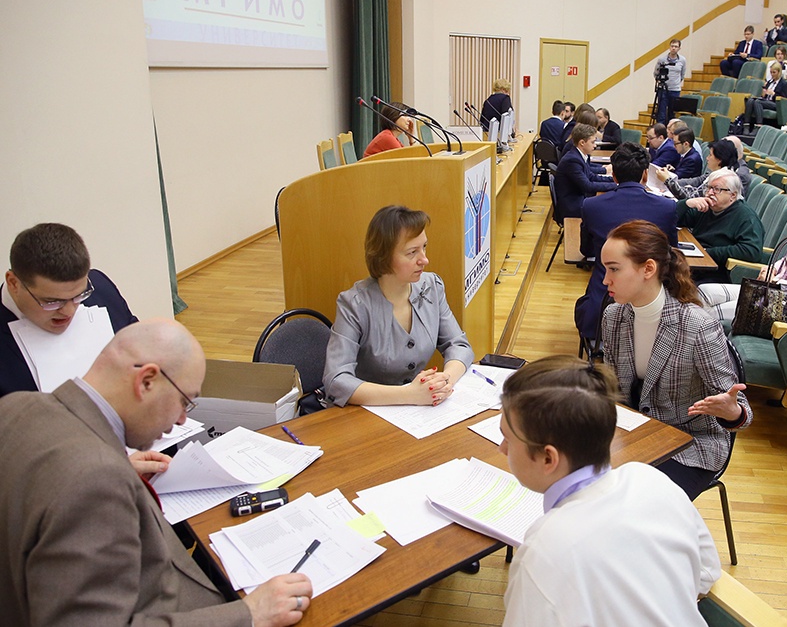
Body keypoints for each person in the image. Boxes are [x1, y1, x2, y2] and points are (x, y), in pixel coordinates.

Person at [0, 319, 314, 626]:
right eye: (184, 402)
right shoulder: (95, 480)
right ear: (147, 380)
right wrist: (250, 615)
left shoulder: (17, 406)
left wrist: (116, 464)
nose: (180, 420)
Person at [498, 355, 721, 626]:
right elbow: (707, 572)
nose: (502, 448)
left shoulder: (542, 551)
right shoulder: (651, 479)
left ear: (549, 458)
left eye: (508, 438)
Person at [600, 220, 753, 498]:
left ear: (648, 268)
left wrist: (732, 412)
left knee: (633, 504)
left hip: (691, 446)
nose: (605, 280)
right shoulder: (614, 317)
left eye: (613, 269)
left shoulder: (697, 326)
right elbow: (615, 392)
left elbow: (741, 411)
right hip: (634, 435)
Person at [323, 206, 474, 406]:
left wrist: (444, 381)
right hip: (365, 414)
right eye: (412, 253)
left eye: (424, 247)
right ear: (383, 257)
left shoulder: (432, 287)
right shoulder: (354, 304)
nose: (425, 260)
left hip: (415, 412)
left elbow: (458, 344)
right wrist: (411, 395)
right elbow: (336, 380)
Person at [2, 223, 138, 398]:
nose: (68, 311)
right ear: (14, 283)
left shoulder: (100, 287)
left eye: (79, 295)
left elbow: (137, 346)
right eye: (52, 301)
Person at [698, 178, 787, 323]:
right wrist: (770, 270)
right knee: (703, 292)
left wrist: (775, 281)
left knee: (709, 313)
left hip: (786, 305)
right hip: (771, 292)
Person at [575, 142, 678, 340]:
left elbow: (585, 249)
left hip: (602, 305)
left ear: (614, 176)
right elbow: (671, 253)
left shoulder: (591, 205)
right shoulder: (667, 208)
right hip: (651, 307)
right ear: (645, 175)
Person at [674, 169, 764, 282]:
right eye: (709, 188)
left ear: (732, 195)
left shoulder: (746, 217)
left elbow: (752, 251)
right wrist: (687, 203)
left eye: (717, 189)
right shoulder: (708, 207)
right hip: (695, 264)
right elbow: (674, 219)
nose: (710, 193)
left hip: (717, 272)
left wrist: (708, 252)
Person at [551, 124, 617, 221]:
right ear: (582, 142)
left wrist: (616, 180)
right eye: (593, 142)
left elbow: (591, 176)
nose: (595, 145)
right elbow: (588, 186)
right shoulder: (573, 160)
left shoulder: (580, 156)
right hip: (571, 206)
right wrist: (616, 186)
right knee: (608, 206)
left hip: (577, 198)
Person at [656, 138, 744, 200]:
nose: (707, 158)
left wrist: (668, 181)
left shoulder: (723, 179)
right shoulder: (717, 173)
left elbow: (689, 198)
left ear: (719, 159)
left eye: (710, 155)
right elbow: (696, 184)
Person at [741, 63, 787, 132]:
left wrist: (773, 94)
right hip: (765, 101)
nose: (772, 74)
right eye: (771, 72)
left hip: (775, 104)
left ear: (779, 72)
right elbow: (764, 96)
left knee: (757, 102)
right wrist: (763, 93)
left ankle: (758, 126)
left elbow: (784, 99)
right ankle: (746, 125)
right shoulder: (769, 82)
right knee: (750, 100)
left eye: (774, 72)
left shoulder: (784, 84)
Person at [653, 39, 686, 123]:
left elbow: (682, 74)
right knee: (661, 114)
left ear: (679, 48)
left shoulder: (682, 60)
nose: (673, 48)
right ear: (669, 47)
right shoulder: (662, 60)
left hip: (675, 90)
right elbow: (656, 73)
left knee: (672, 114)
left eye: (676, 46)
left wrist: (676, 83)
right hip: (663, 89)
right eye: (672, 46)